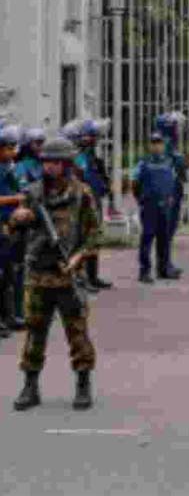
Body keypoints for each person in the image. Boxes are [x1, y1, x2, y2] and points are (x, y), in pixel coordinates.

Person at [7, 137, 100, 411]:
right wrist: (17, 220)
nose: (50, 167)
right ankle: (30, 386)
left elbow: (95, 234)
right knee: (35, 333)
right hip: (38, 274)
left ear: (67, 164)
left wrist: (78, 257)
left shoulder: (82, 194)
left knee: (77, 333)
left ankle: (83, 385)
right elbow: (13, 232)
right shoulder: (33, 193)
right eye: (46, 161)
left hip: (68, 274)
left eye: (56, 162)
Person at [130, 132, 179, 283]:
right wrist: (141, 199)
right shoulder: (143, 162)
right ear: (149, 145)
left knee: (164, 238)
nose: (157, 146)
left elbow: (172, 182)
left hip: (165, 205)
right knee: (148, 237)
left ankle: (163, 269)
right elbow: (135, 183)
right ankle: (144, 272)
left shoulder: (169, 161)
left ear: (164, 145)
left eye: (159, 142)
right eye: (154, 142)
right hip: (149, 205)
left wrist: (170, 198)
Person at [73, 120, 113, 292]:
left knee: (94, 240)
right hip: (83, 203)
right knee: (83, 241)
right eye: (92, 136)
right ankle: (82, 279)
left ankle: (93, 276)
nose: (95, 139)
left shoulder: (92, 157)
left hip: (94, 201)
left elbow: (98, 178)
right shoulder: (79, 156)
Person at [154, 113, 189, 277]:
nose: (179, 130)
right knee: (166, 230)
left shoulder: (169, 144)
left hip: (171, 190)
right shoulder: (164, 144)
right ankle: (163, 267)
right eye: (177, 126)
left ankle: (166, 264)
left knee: (169, 230)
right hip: (166, 192)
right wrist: (182, 161)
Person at [0, 126, 24, 339]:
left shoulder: (8, 168)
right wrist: (17, 199)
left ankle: (9, 317)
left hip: (8, 226)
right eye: (8, 148)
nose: (12, 152)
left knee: (9, 275)